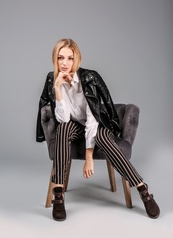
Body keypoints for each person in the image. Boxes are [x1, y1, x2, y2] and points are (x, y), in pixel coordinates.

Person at [36, 38, 160, 221]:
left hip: (98, 122)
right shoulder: (52, 79)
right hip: (74, 125)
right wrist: (57, 88)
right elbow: (62, 118)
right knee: (62, 128)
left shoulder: (89, 78)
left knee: (102, 137)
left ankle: (143, 190)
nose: (64, 63)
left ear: (76, 58)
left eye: (70, 58)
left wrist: (89, 157)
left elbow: (92, 120)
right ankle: (59, 195)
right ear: (55, 58)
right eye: (60, 58)